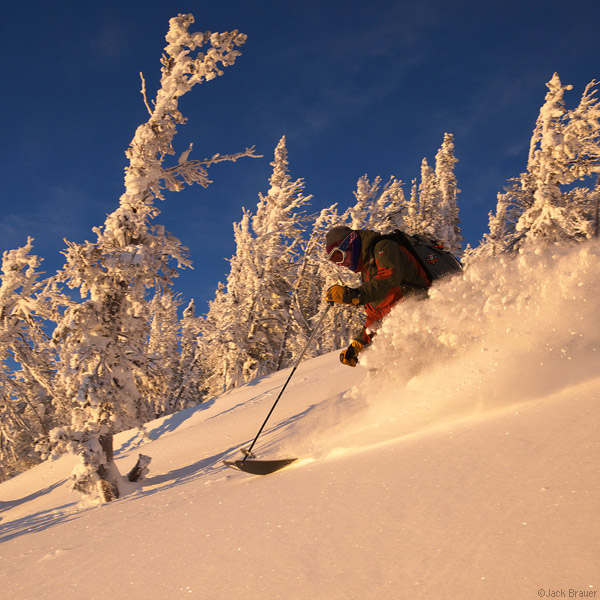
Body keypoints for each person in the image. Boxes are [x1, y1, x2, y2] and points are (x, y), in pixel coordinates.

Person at [324, 225, 431, 366]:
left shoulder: (384, 248)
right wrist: (357, 345)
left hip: (427, 312)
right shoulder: (368, 272)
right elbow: (376, 316)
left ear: (351, 243)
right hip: (409, 323)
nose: (341, 264)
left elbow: (389, 279)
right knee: (383, 366)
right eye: (335, 261)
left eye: (339, 256)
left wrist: (354, 295)